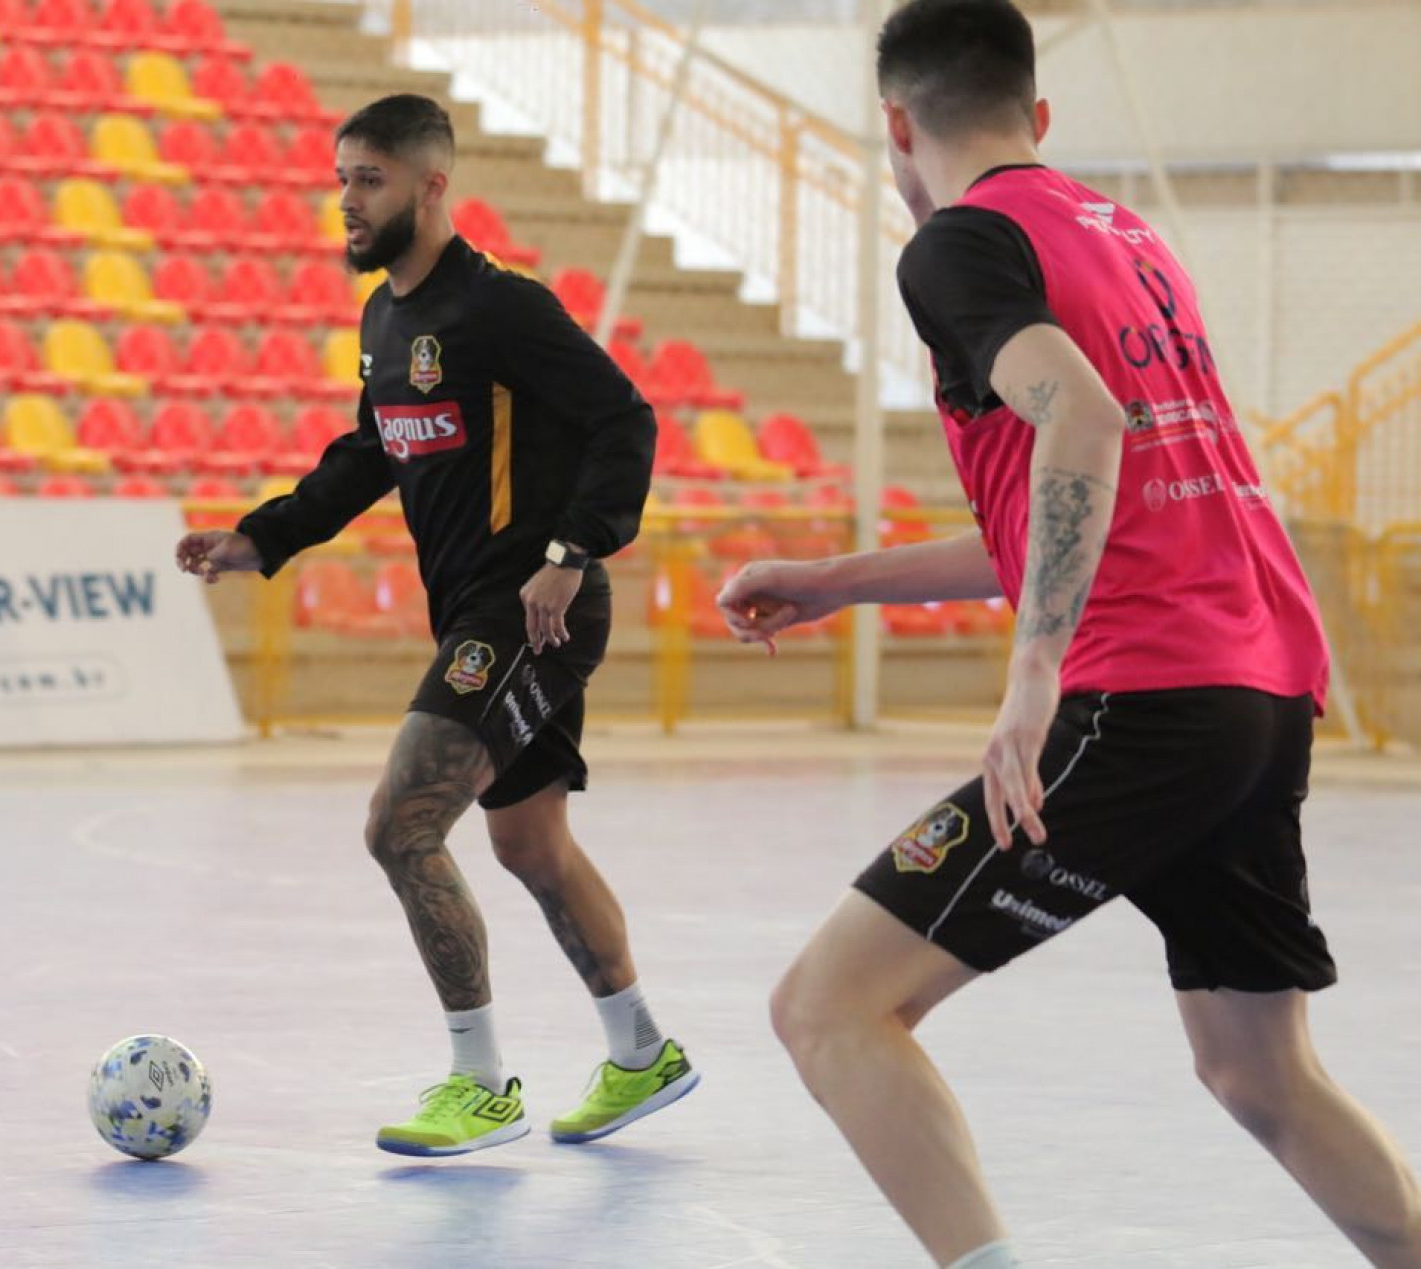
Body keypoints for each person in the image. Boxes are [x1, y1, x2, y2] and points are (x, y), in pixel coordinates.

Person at [717, 2, 1421, 1265]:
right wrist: (837, 577)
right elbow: (1071, 511)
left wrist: (1031, 679)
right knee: (1258, 1073)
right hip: (1256, 694)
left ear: (894, 126)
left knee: (828, 1011)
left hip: (1141, 696)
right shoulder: (1125, 239)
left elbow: (1081, 431)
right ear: (1036, 117)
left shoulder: (957, 245)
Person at [176, 94, 698, 1158]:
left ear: (429, 184)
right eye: (338, 183)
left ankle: (480, 1083)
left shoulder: (499, 308)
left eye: (367, 181)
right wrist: (257, 538)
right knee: (530, 843)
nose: (347, 205)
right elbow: (369, 454)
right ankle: (642, 1054)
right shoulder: (386, 321)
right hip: (475, 611)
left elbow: (623, 417)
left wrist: (568, 554)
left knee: (398, 826)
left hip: (530, 604)